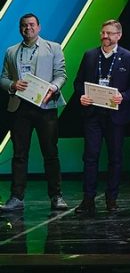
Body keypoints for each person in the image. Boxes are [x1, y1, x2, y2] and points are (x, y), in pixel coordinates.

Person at [0, 13, 68, 212]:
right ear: (20, 28)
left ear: (39, 27)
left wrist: (52, 89)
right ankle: (16, 197)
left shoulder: (53, 48)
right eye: (24, 25)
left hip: (45, 107)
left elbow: (61, 75)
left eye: (31, 25)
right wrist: (12, 84)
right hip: (19, 107)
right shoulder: (11, 51)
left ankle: (56, 196)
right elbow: (3, 77)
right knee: (19, 155)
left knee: (50, 153)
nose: (27, 28)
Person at [72, 19, 130, 214]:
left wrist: (123, 96)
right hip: (93, 115)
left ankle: (112, 199)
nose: (105, 36)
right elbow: (78, 83)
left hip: (116, 116)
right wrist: (82, 96)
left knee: (115, 158)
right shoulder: (90, 55)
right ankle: (88, 199)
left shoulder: (129, 57)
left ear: (119, 35)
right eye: (103, 32)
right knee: (90, 157)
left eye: (109, 33)